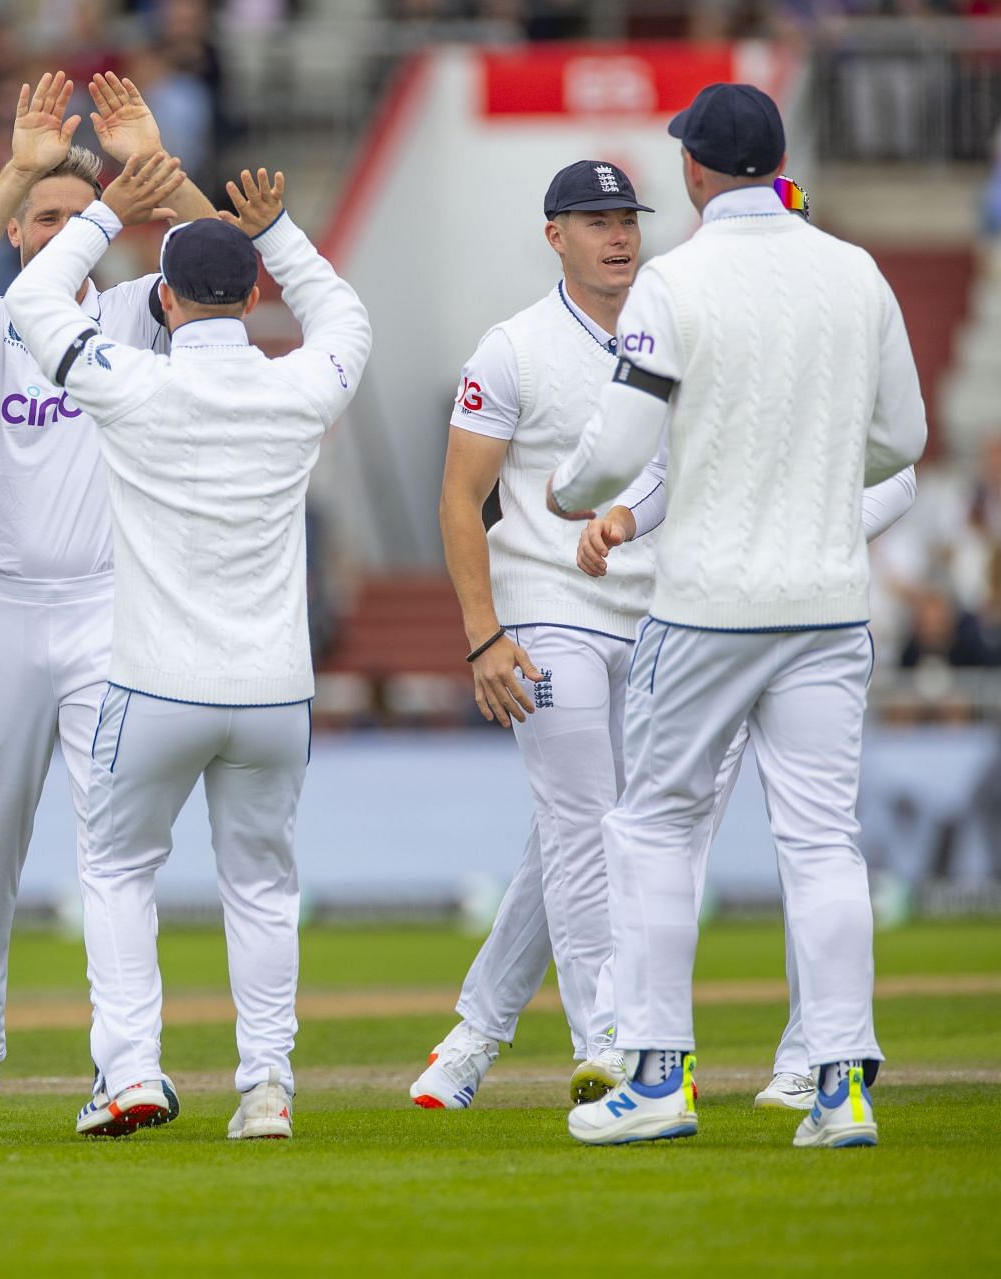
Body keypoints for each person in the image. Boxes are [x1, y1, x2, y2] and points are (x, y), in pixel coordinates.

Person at [549, 84, 927, 1148]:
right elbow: (902, 435)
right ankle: (840, 1082)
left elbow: (620, 450)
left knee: (656, 826)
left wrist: (573, 493)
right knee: (821, 843)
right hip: (824, 603)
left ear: (698, 171)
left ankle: (658, 1076)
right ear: (778, 161)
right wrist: (809, 486)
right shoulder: (854, 270)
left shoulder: (677, 279)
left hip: (708, 605)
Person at [6, 158, 371, 1140]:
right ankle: (266, 1086)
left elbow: (34, 298)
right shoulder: (301, 387)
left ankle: (129, 1071)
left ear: (162, 300)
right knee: (261, 886)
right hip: (271, 692)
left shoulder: (134, 384)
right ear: (251, 292)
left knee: (118, 868)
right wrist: (281, 230)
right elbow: (347, 320)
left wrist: (100, 215)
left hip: (155, 683)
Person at [0, 70, 214, 1126]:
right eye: (39, 220)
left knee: (114, 845)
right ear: (18, 232)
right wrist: (18, 169)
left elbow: (239, 259)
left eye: (71, 216)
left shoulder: (143, 309)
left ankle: (125, 1063)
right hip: (0, 609)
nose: (54, 232)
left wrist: (158, 175)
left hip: (109, 611)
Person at [411, 160, 663, 1113]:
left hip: (659, 610)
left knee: (581, 831)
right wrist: (484, 635)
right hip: (550, 605)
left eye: (628, 219)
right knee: (583, 822)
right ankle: (606, 1035)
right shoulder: (512, 347)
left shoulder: (671, 329)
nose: (619, 236)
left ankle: (474, 1034)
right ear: (554, 234)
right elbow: (458, 494)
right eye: (596, 221)